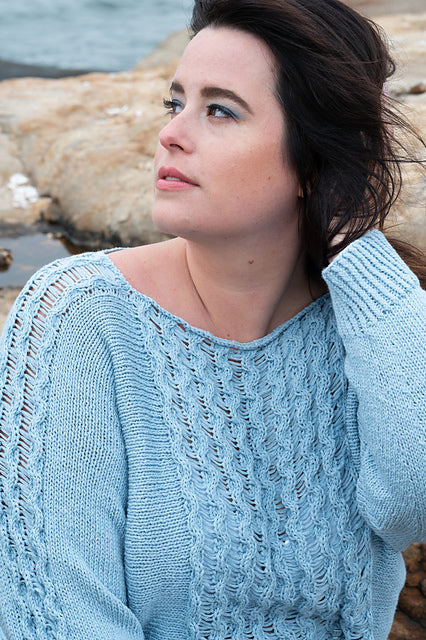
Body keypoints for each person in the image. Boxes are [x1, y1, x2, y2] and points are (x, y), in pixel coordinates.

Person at [0, 0, 425, 638]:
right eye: (174, 103)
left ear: (313, 159)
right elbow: (58, 617)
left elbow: (412, 504)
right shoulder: (78, 316)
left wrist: (358, 251)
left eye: (220, 110)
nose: (171, 133)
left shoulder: (373, 326)